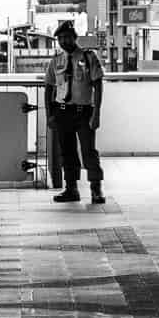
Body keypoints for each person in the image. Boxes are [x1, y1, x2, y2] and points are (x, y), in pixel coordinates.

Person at [42, 20, 106, 204]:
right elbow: (49, 88)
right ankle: (71, 189)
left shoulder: (88, 57)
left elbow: (98, 86)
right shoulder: (56, 61)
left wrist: (97, 114)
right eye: (60, 38)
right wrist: (49, 115)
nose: (63, 41)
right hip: (62, 112)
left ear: (74, 37)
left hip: (84, 112)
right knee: (67, 152)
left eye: (67, 37)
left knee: (88, 151)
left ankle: (96, 189)